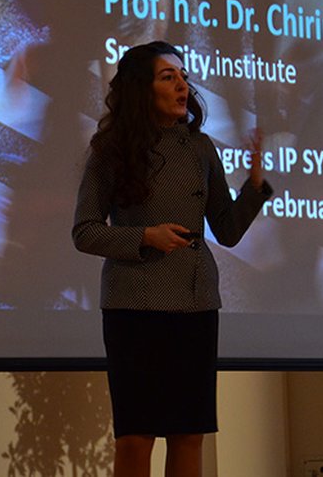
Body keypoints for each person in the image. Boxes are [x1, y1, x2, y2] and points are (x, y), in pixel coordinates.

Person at [72, 41, 272, 476]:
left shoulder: (200, 148)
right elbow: (84, 231)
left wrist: (254, 187)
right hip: (133, 308)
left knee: (188, 435)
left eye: (184, 77)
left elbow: (227, 230)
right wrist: (146, 236)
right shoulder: (110, 151)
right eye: (169, 77)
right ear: (142, 89)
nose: (183, 86)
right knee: (136, 437)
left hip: (195, 305)